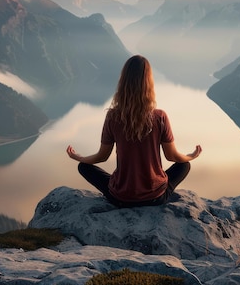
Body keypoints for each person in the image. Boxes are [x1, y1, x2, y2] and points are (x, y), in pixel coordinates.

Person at [66, 55, 202, 208]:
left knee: (83, 167)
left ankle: (123, 185)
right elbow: (172, 156)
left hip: (120, 199)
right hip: (155, 197)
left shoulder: (113, 116)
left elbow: (102, 156)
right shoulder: (160, 116)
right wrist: (191, 156)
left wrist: (79, 157)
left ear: (123, 82)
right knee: (184, 165)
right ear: (149, 82)